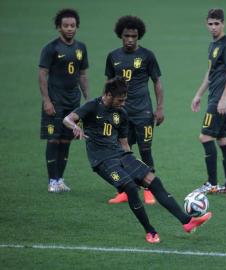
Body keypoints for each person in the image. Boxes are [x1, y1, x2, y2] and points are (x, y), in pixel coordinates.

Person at [63, 77, 212, 243]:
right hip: (102, 161)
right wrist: (75, 126)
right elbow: (67, 119)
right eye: (120, 100)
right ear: (108, 95)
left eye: (125, 100)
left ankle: (187, 222)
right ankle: (150, 231)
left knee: (153, 180)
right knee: (131, 188)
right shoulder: (92, 106)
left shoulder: (121, 113)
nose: (123, 103)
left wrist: (133, 164)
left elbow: (124, 142)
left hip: (120, 155)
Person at [105, 15, 164, 204]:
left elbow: (157, 82)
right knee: (121, 151)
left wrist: (160, 108)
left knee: (145, 150)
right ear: (120, 35)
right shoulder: (113, 56)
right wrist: (104, 108)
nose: (130, 39)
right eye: (126, 36)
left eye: (134, 36)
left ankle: (149, 189)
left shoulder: (147, 56)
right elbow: (109, 84)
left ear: (139, 36)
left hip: (143, 112)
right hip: (120, 113)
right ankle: (125, 189)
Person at [38, 8, 89, 193]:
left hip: (72, 103)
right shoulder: (51, 48)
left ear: (77, 27)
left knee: (66, 141)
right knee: (53, 140)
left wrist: (88, 100)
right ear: (59, 27)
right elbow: (42, 75)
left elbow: (82, 74)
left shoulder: (81, 48)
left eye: (73, 26)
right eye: (66, 25)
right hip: (55, 102)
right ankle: (52, 181)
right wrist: (46, 100)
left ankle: (60, 179)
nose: (69, 29)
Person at [191, 8, 226, 194]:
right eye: (210, 24)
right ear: (206, 24)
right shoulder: (213, 45)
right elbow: (211, 73)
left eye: (217, 23)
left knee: (205, 136)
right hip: (217, 98)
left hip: (221, 100)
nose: (213, 27)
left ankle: (211, 183)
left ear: (223, 23)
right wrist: (199, 94)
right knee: (223, 139)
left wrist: (223, 98)